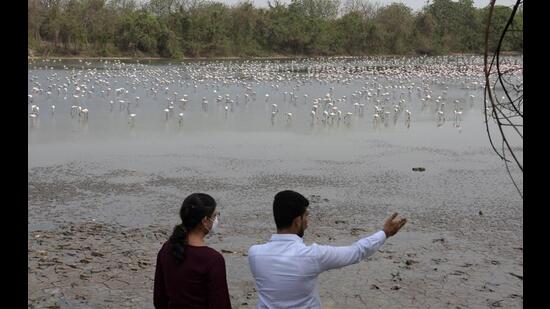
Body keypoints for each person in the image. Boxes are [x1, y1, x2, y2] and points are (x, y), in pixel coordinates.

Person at [248, 190, 407, 308]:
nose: (307, 222)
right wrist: (385, 233)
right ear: (297, 221)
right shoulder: (312, 256)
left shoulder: (254, 254)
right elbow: (357, 252)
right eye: (306, 216)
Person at [154, 193, 231, 309]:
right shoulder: (213, 259)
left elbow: (159, 299)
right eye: (215, 216)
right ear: (205, 220)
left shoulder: (166, 249)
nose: (216, 220)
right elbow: (220, 304)